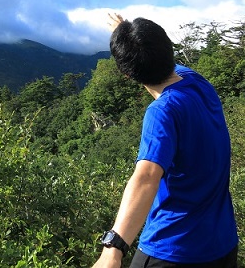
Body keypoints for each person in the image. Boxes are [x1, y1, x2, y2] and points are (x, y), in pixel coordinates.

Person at [92, 13, 238, 268]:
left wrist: (112, 250)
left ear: (127, 75)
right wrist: (128, 36)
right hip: (222, 245)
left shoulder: (162, 112)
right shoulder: (199, 84)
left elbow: (147, 176)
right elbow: (160, 62)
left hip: (174, 250)